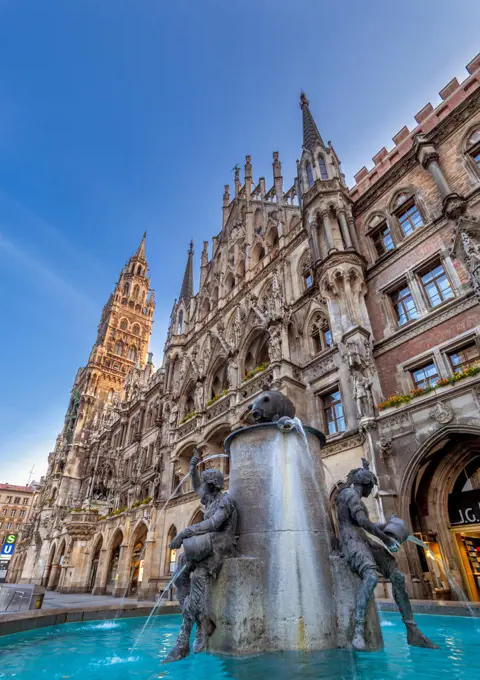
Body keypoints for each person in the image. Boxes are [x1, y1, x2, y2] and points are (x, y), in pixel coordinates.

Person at [336, 458, 438, 651]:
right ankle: (358, 628)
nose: (370, 492)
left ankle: (412, 630)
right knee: (371, 576)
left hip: (363, 538)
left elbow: (366, 524)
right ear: (364, 485)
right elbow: (363, 522)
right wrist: (387, 539)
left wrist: (391, 527)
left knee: (397, 576)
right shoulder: (349, 494)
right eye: (370, 487)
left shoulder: (355, 497)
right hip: (351, 540)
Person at [164, 450, 237, 662]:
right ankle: (202, 620)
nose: (200, 488)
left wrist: (186, 531)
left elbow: (214, 524)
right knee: (180, 569)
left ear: (212, 486)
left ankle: (184, 638)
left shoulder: (225, 502)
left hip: (221, 546)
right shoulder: (209, 499)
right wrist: (194, 469)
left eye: (204, 482)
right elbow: (195, 487)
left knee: (197, 577)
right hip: (208, 543)